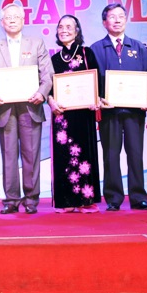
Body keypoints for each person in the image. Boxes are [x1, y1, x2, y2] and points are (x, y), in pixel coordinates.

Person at [0, 3, 54, 215]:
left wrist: (42, 93)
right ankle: (11, 199)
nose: (12, 20)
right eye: (8, 17)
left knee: (31, 155)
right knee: (9, 156)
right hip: (5, 109)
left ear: (23, 20)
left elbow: (47, 74)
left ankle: (31, 199)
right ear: (2, 22)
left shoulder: (36, 43)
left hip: (31, 106)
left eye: (16, 16)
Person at [90, 3, 147, 211]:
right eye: (112, 16)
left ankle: (138, 197)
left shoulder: (138, 47)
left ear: (126, 20)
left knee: (135, 154)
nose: (117, 20)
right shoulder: (95, 49)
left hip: (135, 111)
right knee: (111, 155)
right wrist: (98, 98)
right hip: (109, 112)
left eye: (121, 16)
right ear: (104, 22)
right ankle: (113, 198)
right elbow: (92, 81)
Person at [46, 15, 101, 213]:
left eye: (69, 27)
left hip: (84, 114)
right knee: (63, 157)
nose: (64, 30)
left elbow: (97, 81)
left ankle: (86, 201)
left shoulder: (87, 53)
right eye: (61, 27)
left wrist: (96, 98)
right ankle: (66, 201)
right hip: (62, 115)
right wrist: (51, 101)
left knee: (85, 155)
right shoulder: (53, 59)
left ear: (77, 31)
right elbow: (48, 88)